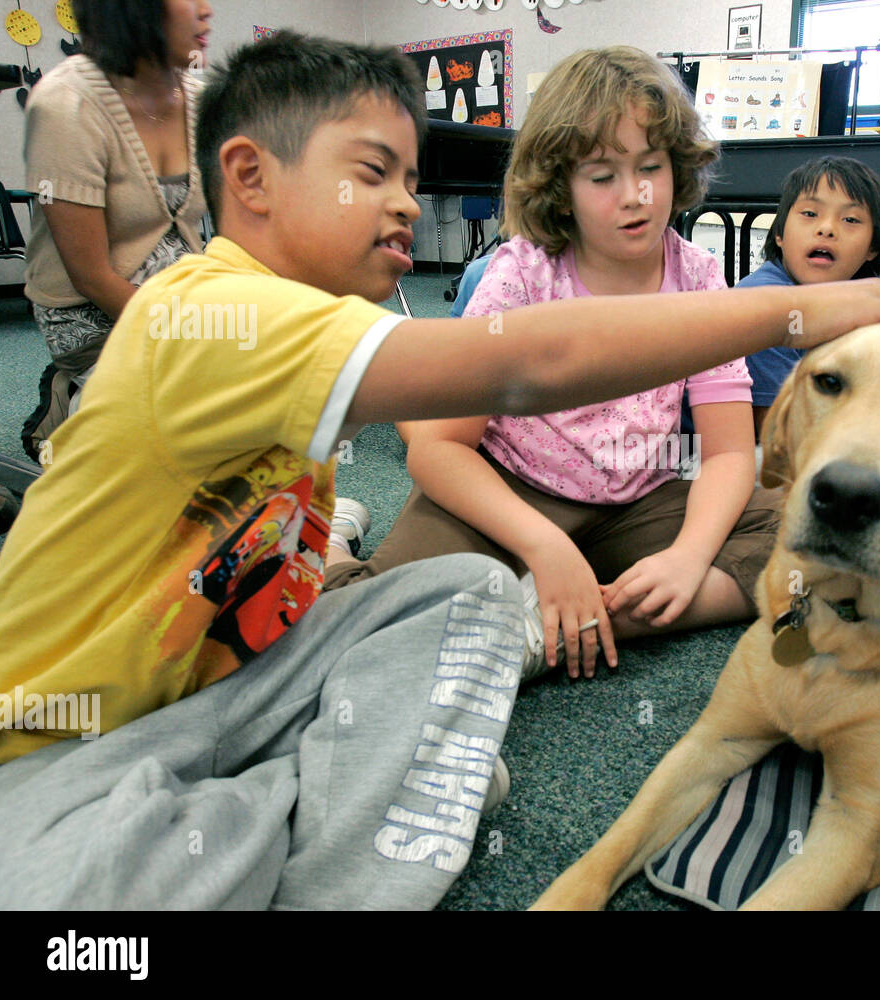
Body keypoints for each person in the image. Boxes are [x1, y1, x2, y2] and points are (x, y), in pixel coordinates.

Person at [0, 32, 880, 910]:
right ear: (250, 177)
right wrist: (806, 308)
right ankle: (377, 751)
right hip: (53, 740)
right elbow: (521, 367)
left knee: (470, 594)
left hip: (227, 674)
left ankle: (395, 713)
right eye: (373, 173)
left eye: (408, 177)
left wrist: (681, 554)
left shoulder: (315, 323)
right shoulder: (210, 315)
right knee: (105, 896)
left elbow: (727, 448)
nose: (404, 205)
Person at [327, 46, 797, 682]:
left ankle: (559, 625)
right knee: (358, 630)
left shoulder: (699, 277)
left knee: (803, 549)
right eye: (603, 176)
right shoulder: (521, 273)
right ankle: (334, 546)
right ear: (561, 187)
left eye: (651, 167)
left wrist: (688, 557)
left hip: (640, 500)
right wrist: (544, 546)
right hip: (509, 493)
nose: (636, 195)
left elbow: (731, 455)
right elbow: (439, 450)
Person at [21, 0, 213, 456]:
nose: (206, 10)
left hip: (185, 294)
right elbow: (90, 276)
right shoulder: (65, 104)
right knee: (191, 424)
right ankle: (71, 394)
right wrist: (198, 335)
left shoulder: (202, 100)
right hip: (94, 313)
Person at [738, 156, 880, 438]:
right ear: (780, 234)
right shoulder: (767, 303)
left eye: (850, 219)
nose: (827, 228)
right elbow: (777, 430)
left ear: (872, 248)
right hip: (701, 459)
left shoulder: (858, 305)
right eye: (810, 214)